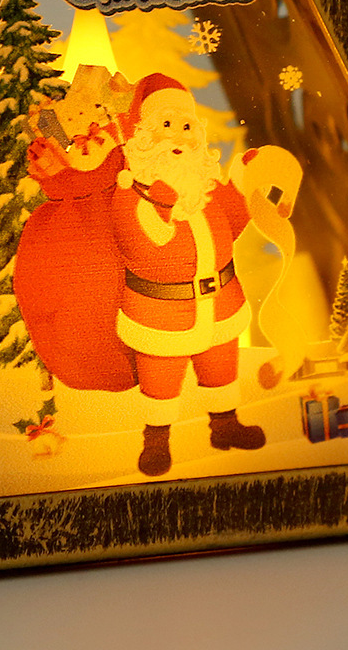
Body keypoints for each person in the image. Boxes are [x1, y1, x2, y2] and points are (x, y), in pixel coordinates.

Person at [111, 73, 268, 476]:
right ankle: (156, 441)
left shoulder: (204, 186)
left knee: (221, 367)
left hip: (220, 301)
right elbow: (142, 243)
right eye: (167, 125)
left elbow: (229, 225)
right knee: (161, 378)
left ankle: (225, 426)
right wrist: (160, 205)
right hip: (161, 312)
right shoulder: (132, 192)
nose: (178, 136)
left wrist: (243, 184)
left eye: (185, 126)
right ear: (145, 135)